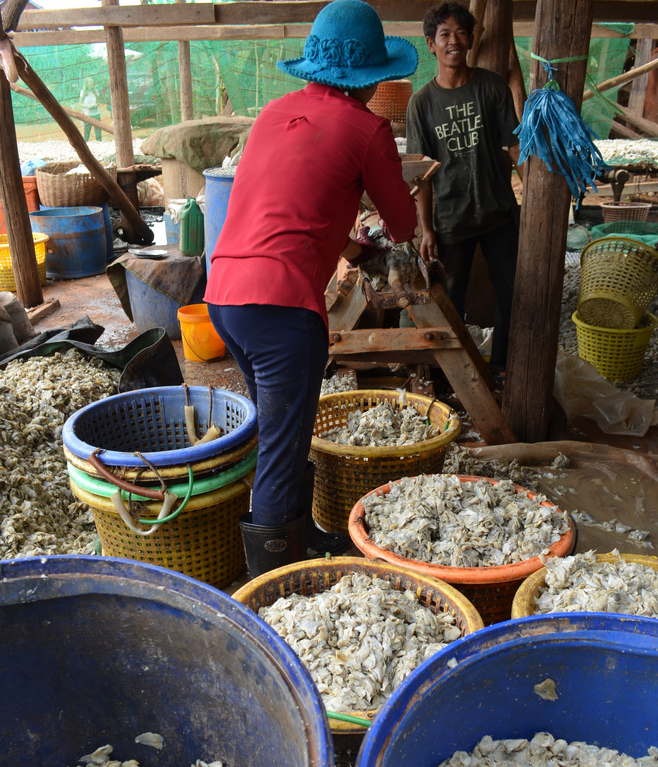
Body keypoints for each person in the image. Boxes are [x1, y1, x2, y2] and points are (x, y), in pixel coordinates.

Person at [205, 0, 419, 577]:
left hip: (225, 294)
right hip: (279, 309)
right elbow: (402, 224)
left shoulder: (274, 114)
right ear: (372, 79)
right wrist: (399, 217)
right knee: (281, 448)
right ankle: (276, 590)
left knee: (285, 432)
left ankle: (298, 542)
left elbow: (291, 210)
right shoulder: (368, 128)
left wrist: (349, 245)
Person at [406, 1, 522, 377]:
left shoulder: (492, 87)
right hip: (452, 220)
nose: (453, 41)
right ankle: (453, 376)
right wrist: (426, 229)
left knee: (511, 293)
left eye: (461, 33)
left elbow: (515, 146)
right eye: (445, 35)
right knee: (451, 300)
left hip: (499, 213)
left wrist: (535, 190)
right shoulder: (422, 104)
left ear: (471, 40)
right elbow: (421, 174)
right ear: (431, 44)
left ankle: (502, 366)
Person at [79, 77, 102, 142]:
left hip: (96, 114)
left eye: (92, 81)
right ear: (87, 83)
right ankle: (85, 146)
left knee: (98, 133)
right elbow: (80, 103)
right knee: (87, 132)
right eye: (91, 82)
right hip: (87, 114)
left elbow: (99, 101)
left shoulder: (95, 91)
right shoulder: (83, 92)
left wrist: (96, 105)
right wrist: (87, 107)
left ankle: (100, 144)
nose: (92, 83)